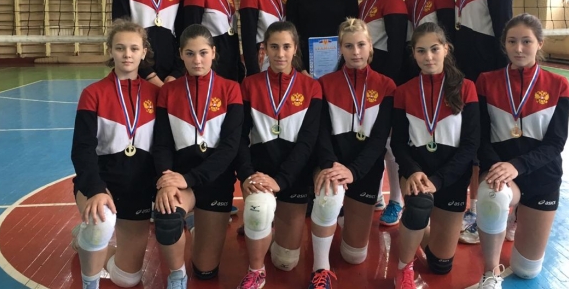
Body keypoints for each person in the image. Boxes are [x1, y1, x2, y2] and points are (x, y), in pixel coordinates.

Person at [474, 14, 569, 289]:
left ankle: (515, 217)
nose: (518, 49)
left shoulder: (558, 84)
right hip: (501, 170)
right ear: (504, 44)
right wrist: (498, 167)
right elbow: (480, 137)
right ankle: (490, 272)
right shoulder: (486, 81)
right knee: (493, 194)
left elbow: (556, 142)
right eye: (512, 41)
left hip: (542, 177)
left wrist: (517, 165)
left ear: (539, 43)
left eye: (526, 41)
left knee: (527, 272)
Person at [151, 24, 243, 288]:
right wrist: (166, 180)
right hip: (181, 182)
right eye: (190, 53)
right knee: (167, 219)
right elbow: (162, 145)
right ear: (181, 54)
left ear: (213, 52)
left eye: (203, 52)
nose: (197, 60)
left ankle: (195, 223)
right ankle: (177, 274)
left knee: (205, 272)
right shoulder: (168, 91)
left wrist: (189, 178)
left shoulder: (230, 89)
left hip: (215, 182)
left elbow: (230, 148)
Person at [70, 19, 159, 289]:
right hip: (101, 183)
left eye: (134, 48)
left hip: (138, 190)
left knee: (127, 279)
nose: (127, 54)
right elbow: (82, 149)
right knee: (102, 223)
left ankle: (85, 240)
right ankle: (90, 282)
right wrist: (95, 189)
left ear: (144, 52)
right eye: (120, 48)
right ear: (111, 50)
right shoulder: (93, 94)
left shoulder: (157, 95)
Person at [390, 22, 480, 288]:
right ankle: (403, 267)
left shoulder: (466, 88)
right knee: (419, 204)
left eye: (434, 49)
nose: (428, 57)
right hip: (416, 173)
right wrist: (413, 171)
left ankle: (415, 229)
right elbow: (398, 143)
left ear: (446, 49)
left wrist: (439, 181)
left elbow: (471, 145)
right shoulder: (404, 91)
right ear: (413, 54)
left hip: (451, 177)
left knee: (441, 266)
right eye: (421, 51)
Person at [309, 18, 396, 288]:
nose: (355, 52)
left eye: (361, 45)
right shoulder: (324, 84)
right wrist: (330, 165)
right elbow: (321, 134)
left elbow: (379, 140)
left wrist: (354, 171)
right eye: (348, 46)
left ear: (370, 47)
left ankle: (343, 216)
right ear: (341, 49)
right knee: (328, 197)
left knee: (354, 256)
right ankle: (320, 268)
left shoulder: (386, 86)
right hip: (332, 164)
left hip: (364, 170)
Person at [235, 21, 322, 289]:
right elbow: (239, 139)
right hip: (260, 174)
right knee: (259, 208)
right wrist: (247, 175)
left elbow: (307, 143)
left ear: (295, 48)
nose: (280, 54)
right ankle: (256, 269)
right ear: (264, 49)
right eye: (274, 47)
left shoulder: (311, 87)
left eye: (286, 47)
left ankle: (264, 230)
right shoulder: (249, 85)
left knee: (286, 262)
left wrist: (281, 180)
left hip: (293, 177)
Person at [455, 0, 515, 244]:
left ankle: (504, 213)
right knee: (475, 145)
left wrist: (501, 78)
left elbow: (505, 34)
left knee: (493, 145)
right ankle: (476, 209)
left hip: (490, 78)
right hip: (470, 78)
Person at [357, 0, 409, 225]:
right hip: (367, 83)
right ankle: (376, 194)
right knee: (371, 138)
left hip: (386, 85)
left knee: (389, 144)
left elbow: (397, 52)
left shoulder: (393, 2)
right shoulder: (366, 2)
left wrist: (391, 89)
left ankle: (396, 201)